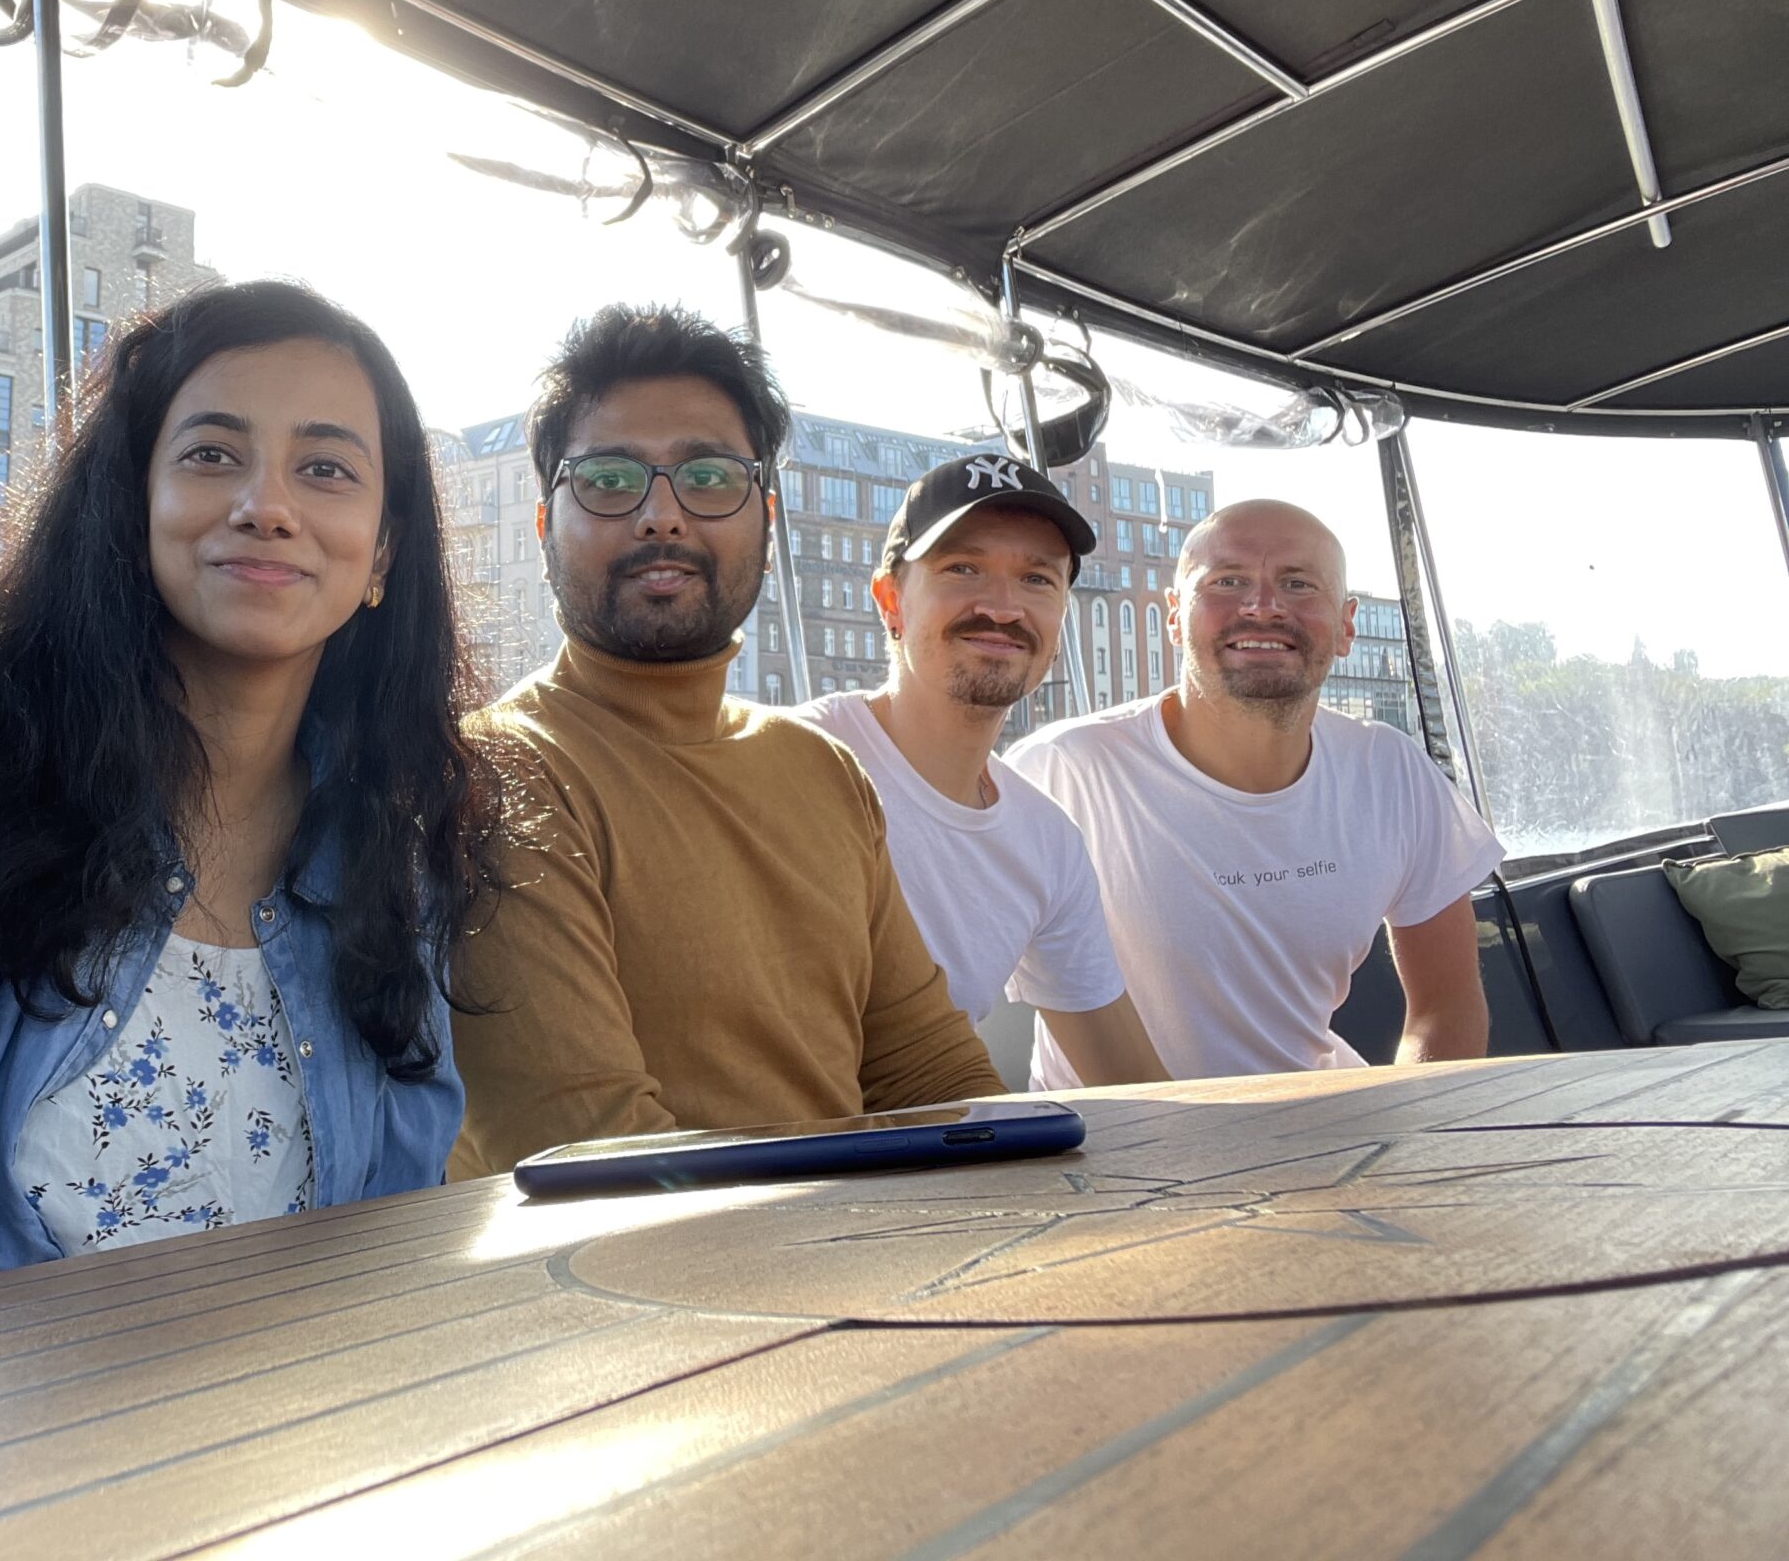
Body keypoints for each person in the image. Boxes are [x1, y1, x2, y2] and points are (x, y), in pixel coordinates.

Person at [0, 283, 498, 1314]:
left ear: (383, 552)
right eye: (211, 455)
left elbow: (393, 1249)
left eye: (325, 469)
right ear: (130, 508)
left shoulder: (395, 852)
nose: (265, 504)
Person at [448, 307, 1000, 1179]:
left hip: (876, 1269)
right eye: (608, 478)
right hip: (631, 1298)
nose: (662, 516)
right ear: (546, 522)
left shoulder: (821, 769)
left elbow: (929, 1072)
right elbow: (602, 1162)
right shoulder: (494, 777)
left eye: (708, 477)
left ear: (766, 520)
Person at [1010, 499, 1499, 1086]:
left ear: (1346, 626)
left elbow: (1447, 1006)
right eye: (1228, 581)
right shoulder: (1062, 771)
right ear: (1174, 615)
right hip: (1118, 1149)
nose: (1263, 606)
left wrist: (1413, 1139)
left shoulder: (1389, 770)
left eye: (1298, 583)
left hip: (1329, 1130)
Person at [795, 454, 1167, 1088]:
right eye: (962, 568)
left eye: (1037, 580)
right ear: (890, 601)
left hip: (936, 1161)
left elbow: (1131, 1084)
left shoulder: (1046, 842)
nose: (1001, 607)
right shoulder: (793, 763)